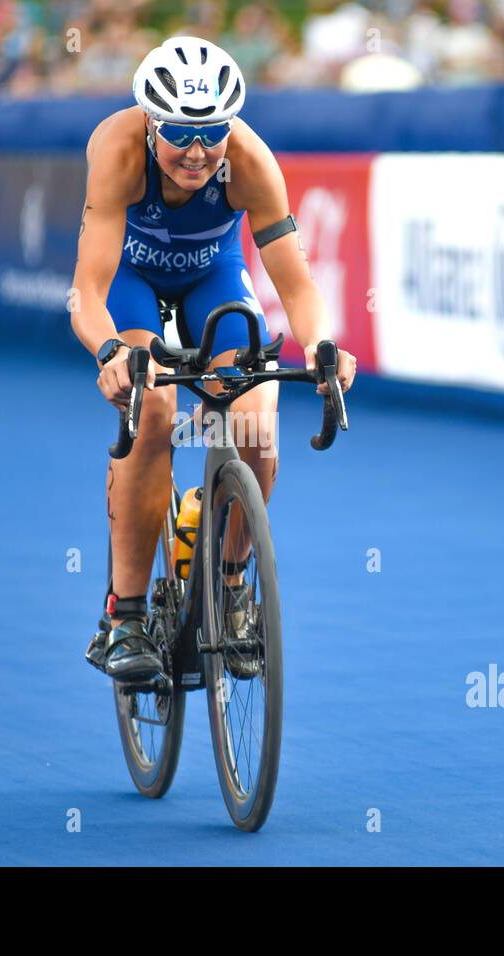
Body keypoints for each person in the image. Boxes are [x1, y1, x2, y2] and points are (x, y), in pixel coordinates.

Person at [71, 36, 356, 683]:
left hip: (213, 281)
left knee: (255, 415)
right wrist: (111, 350)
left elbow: (297, 281)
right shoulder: (116, 147)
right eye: (179, 134)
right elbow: (87, 289)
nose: (198, 151)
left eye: (212, 133)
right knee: (156, 406)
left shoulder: (250, 158)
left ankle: (230, 588)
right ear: (150, 122)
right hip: (132, 283)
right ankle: (127, 615)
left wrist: (319, 344)